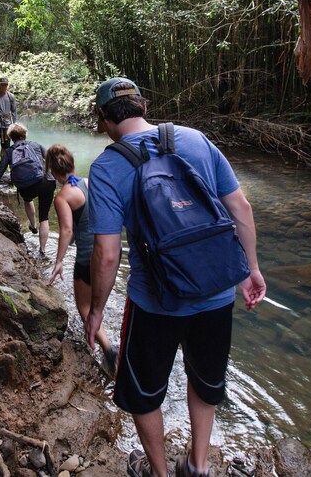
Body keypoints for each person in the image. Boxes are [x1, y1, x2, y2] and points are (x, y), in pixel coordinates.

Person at [84, 77, 266, 477]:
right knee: (204, 381)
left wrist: (96, 311)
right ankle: (198, 466)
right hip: (216, 293)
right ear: (143, 106)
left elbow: (108, 253)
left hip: (154, 303)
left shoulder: (107, 167)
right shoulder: (196, 140)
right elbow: (241, 208)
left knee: (143, 394)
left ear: (104, 120)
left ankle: (161, 473)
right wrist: (250, 270)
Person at [44, 144, 118, 375]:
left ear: (53, 172)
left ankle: (107, 349)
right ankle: (106, 343)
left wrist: (58, 262)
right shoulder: (88, 182)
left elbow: (66, 231)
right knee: (99, 303)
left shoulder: (63, 196)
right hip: (107, 253)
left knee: (85, 307)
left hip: (87, 258)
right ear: (73, 164)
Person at [0, 123, 55, 256]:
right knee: (44, 217)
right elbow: (53, 160)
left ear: (11, 138)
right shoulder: (35, 145)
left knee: (28, 199)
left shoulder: (9, 152)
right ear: (24, 135)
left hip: (27, 187)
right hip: (46, 182)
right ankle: (42, 251)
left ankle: (33, 226)